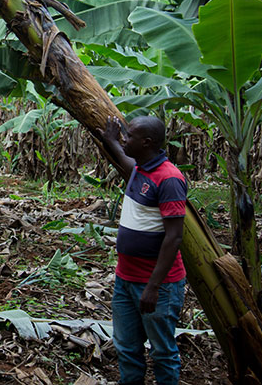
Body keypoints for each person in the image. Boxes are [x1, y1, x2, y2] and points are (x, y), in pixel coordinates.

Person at [99, 115, 187, 385]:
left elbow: (174, 237)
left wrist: (153, 286)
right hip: (126, 280)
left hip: (156, 286)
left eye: (130, 136)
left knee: (162, 352)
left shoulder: (169, 178)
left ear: (147, 142)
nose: (125, 139)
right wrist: (111, 141)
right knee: (126, 347)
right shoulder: (141, 168)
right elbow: (125, 160)